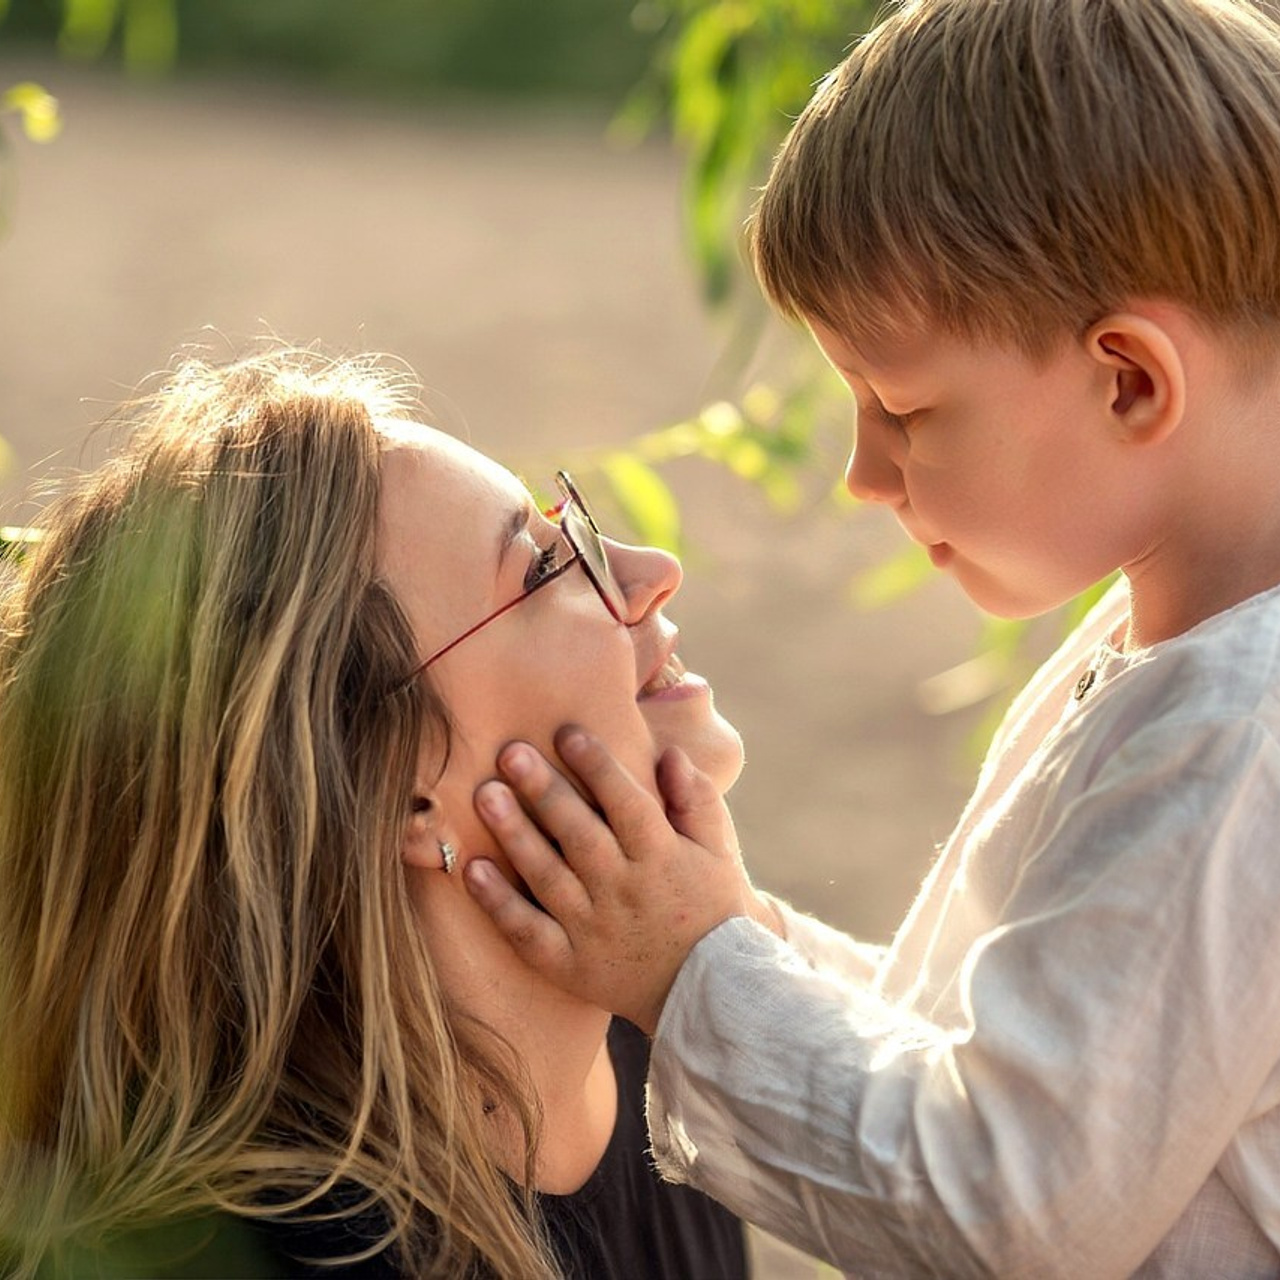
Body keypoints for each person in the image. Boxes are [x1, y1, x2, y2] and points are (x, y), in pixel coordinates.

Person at [460, 0, 1280, 1275]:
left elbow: (1003, 1207)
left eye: (901, 406)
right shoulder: (1170, 650)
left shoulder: (1239, 732)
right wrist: (734, 928)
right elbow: (972, 1051)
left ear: (1126, 380)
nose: (861, 472)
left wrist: (690, 969)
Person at [0, 346, 754, 1279]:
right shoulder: (296, 1256)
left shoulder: (658, 1038)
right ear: (395, 780)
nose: (651, 569)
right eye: (544, 568)